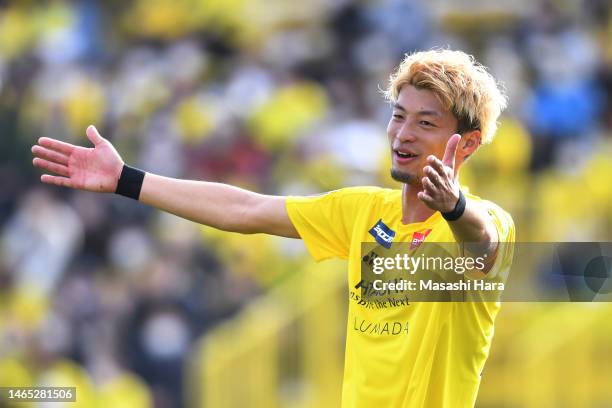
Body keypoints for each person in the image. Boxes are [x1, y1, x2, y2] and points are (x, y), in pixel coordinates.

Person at [32, 49, 515, 407]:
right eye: (398, 116)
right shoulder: (363, 213)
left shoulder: (486, 221)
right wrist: (127, 180)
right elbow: (245, 210)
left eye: (425, 122)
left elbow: (483, 244)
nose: (404, 133)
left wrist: (454, 207)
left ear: (466, 144)